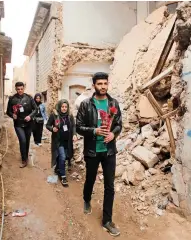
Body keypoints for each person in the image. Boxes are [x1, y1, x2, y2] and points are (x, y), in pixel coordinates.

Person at [76, 72, 122, 236]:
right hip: (92, 151)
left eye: (105, 83)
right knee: (90, 179)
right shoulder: (86, 105)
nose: (103, 86)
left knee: (110, 186)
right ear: (94, 85)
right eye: (99, 83)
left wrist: (113, 134)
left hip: (109, 151)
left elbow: (119, 125)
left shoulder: (113, 103)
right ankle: (87, 199)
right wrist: (94, 131)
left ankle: (107, 221)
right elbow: (78, 127)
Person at [46, 99, 77, 187]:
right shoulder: (54, 115)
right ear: (59, 107)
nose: (64, 109)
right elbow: (47, 125)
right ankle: (63, 176)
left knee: (65, 156)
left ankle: (58, 168)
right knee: (62, 157)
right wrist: (52, 129)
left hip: (68, 141)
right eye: (62, 107)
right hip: (58, 141)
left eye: (66, 107)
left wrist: (74, 134)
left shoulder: (69, 115)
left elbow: (74, 126)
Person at [6, 82, 37, 168]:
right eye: (18, 89)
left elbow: (36, 109)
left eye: (21, 89)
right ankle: (24, 160)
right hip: (18, 124)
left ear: (24, 88)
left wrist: (30, 116)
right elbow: (8, 111)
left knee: (27, 141)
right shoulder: (12, 99)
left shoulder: (29, 98)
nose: (20, 90)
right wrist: (13, 115)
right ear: (16, 89)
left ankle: (25, 156)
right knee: (22, 140)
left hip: (28, 124)